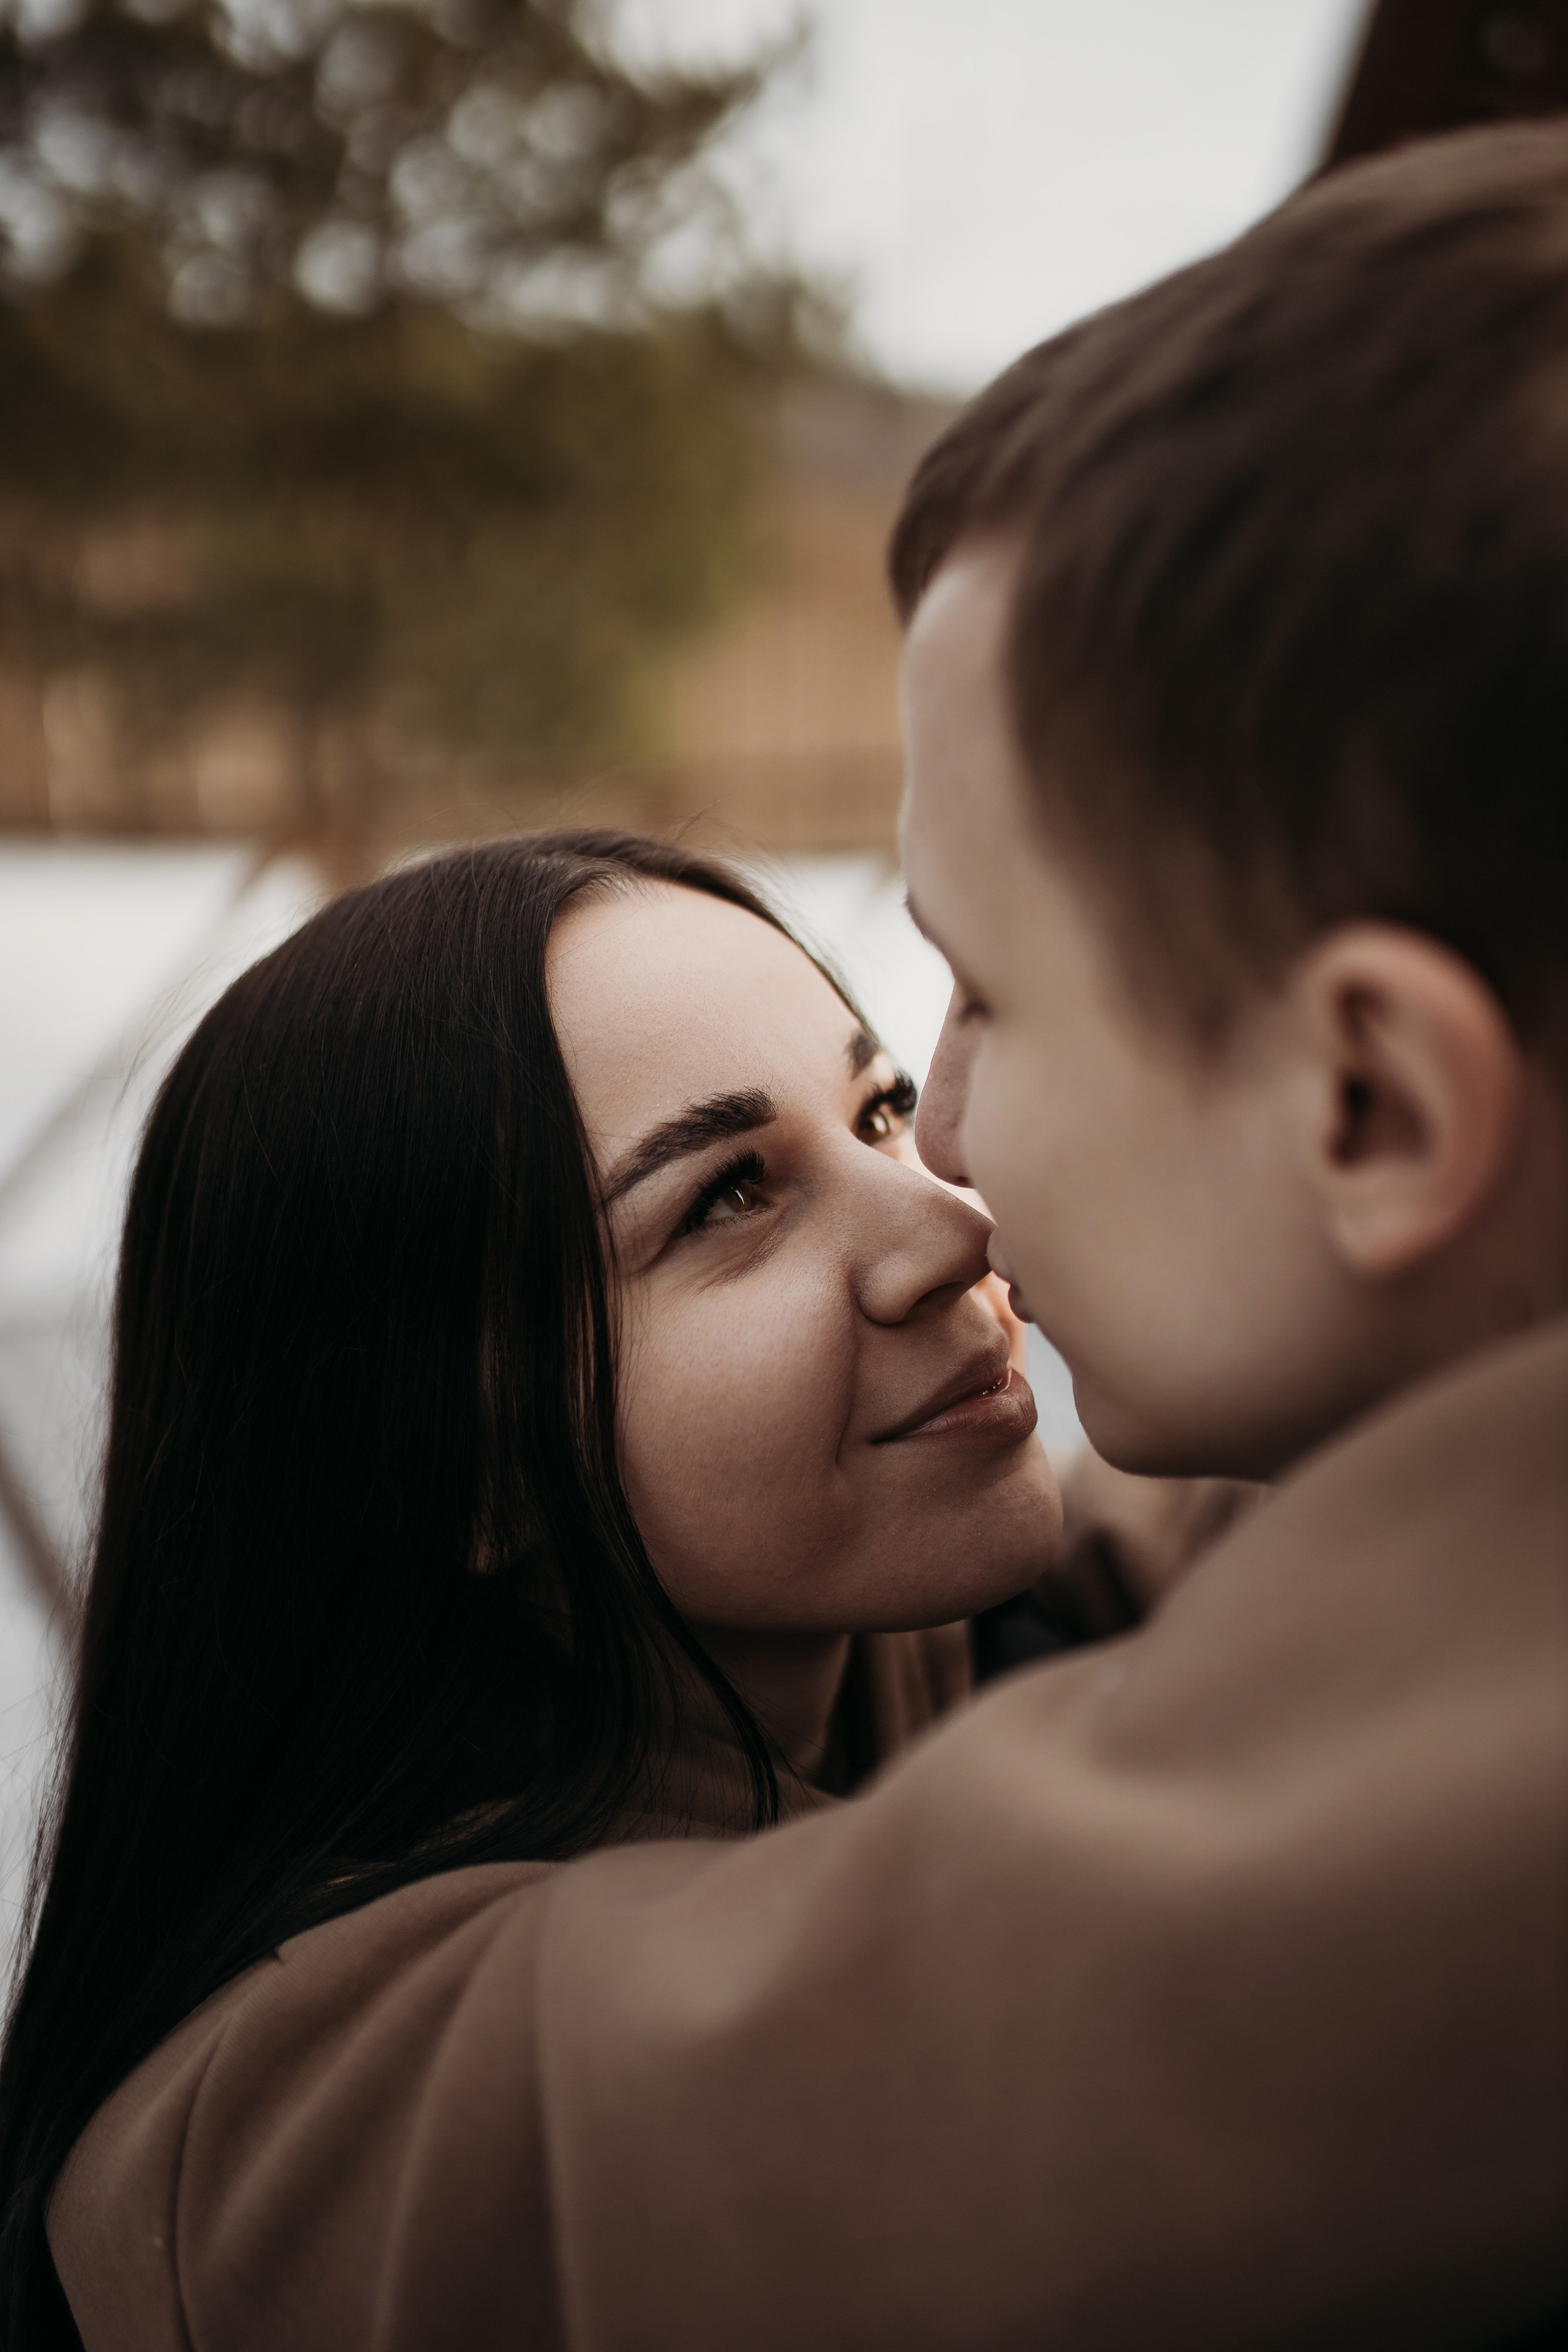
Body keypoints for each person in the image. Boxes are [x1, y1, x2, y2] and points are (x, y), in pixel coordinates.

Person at [28, 119, 1568, 2350]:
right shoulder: (292, 2130)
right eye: (728, 1196)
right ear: (441, 1442)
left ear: (1377, 1103)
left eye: (922, 1055)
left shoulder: (1002, 1663)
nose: (943, 1189)